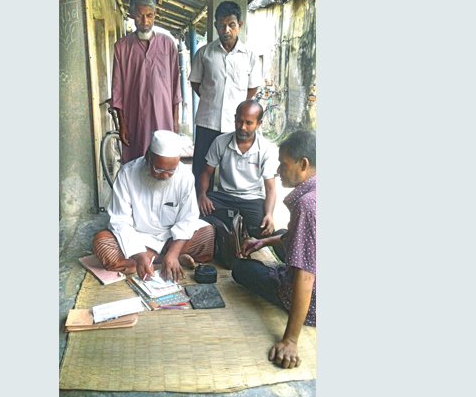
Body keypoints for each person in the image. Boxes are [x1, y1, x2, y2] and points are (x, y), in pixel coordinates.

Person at [232, 130, 316, 369]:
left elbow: (306, 276)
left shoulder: (307, 205)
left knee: (240, 268)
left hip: (316, 300)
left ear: (304, 164)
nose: (279, 171)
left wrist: (290, 340)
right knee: (280, 234)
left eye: (283, 164)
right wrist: (263, 243)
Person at [91, 130, 214, 283]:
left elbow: (188, 219)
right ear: (147, 157)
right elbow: (120, 220)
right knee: (102, 242)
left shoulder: (185, 176)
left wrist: (173, 252)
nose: (164, 176)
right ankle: (159, 260)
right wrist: (139, 254)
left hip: (170, 238)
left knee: (207, 235)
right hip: (136, 238)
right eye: (159, 169)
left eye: (170, 171)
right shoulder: (126, 174)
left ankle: (165, 258)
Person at [188, 0, 262, 188]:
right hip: (207, 121)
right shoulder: (204, 53)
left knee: (233, 170)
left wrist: (236, 103)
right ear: (216, 26)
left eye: (231, 25)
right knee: (201, 169)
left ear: (239, 26)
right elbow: (195, 82)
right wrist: (211, 98)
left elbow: (252, 87)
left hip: (235, 124)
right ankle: (199, 206)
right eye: (222, 25)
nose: (226, 30)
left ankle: (227, 209)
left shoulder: (249, 56)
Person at [111, 0, 182, 163]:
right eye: (139, 16)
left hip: (163, 117)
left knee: (163, 162)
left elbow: (175, 87)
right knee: (137, 163)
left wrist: (175, 122)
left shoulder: (168, 44)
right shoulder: (122, 47)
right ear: (131, 14)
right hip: (135, 118)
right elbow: (117, 89)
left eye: (149, 15)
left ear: (155, 13)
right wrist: (122, 125)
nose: (145, 21)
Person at [196, 100, 277, 237]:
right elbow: (206, 172)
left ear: (258, 124)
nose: (243, 127)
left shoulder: (265, 149)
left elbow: (270, 189)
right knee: (199, 216)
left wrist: (269, 214)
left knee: (262, 230)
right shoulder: (220, 142)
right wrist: (202, 195)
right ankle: (226, 231)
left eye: (249, 123)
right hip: (224, 196)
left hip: (252, 199)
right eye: (239, 121)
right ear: (234, 119)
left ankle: (233, 230)